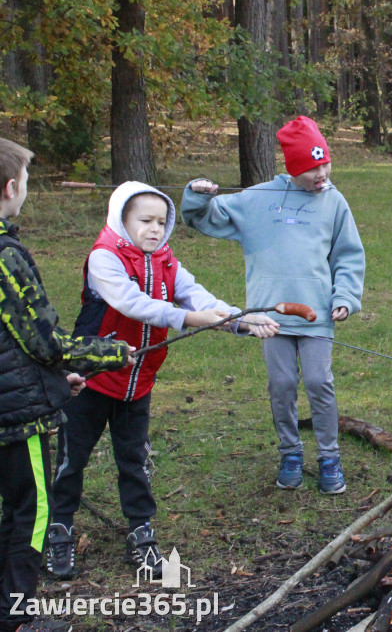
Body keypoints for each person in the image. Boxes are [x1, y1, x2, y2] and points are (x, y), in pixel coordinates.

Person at [46, 182, 277, 581]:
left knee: (134, 459)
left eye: (161, 221)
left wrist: (240, 319)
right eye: (145, 221)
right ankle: (59, 527)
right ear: (122, 219)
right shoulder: (105, 258)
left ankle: (140, 528)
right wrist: (192, 318)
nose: (155, 229)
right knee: (72, 459)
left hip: (138, 382)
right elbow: (135, 304)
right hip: (92, 380)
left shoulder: (166, 260)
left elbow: (197, 296)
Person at [182, 116, 365, 494]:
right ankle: (290, 452)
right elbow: (200, 217)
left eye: (325, 163)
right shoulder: (257, 199)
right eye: (312, 167)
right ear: (291, 168)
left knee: (318, 382)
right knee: (281, 384)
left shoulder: (334, 201)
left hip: (317, 313)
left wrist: (345, 297)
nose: (322, 173)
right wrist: (197, 193)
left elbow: (348, 256)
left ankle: (329, 457)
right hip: (268, 316)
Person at [0, 138, 132, 632]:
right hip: (15, 419)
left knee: (9, 507)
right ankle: (16, 616)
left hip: (14, 399)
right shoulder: (6, 259)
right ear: (11, 188)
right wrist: (111, 352)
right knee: (31, 513)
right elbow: (45, 343)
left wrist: (55, 381)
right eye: (27, 183)